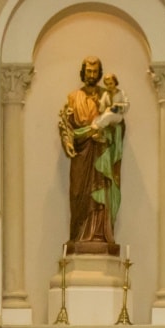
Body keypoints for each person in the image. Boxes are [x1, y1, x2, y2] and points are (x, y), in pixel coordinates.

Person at [58, 55, 122, 247]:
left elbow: (118, 125)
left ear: (99, 73)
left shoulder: (108, 97)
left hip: (101, 154)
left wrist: (105, 132)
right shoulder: (73, 97)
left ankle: (100, 235)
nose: (91, 75)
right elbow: (66, 125)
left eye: (95, 72)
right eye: (88, 71)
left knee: (101, 194)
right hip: (81, 154)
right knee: (79, 192)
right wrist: (68, 141)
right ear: (83, 73)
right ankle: (78, 236)